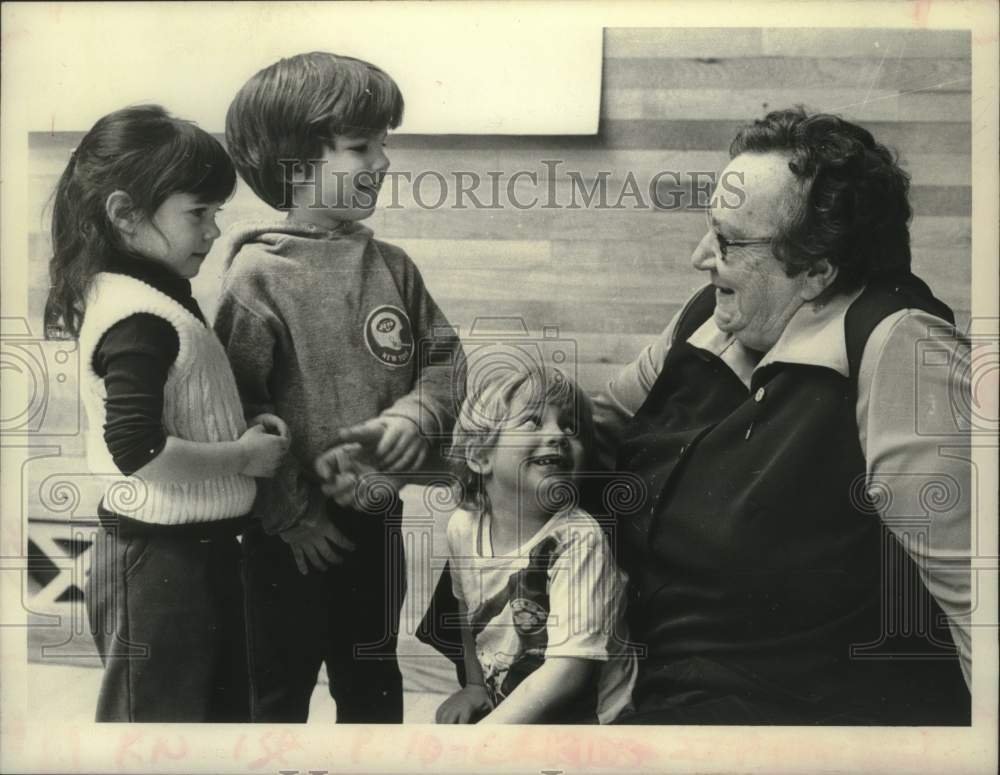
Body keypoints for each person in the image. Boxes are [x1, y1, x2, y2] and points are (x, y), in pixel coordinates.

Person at [596, 107, 972, 724]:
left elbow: (980, 605)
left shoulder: (902, 349)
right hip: (658, 706)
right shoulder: (713, 317)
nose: (699, 256)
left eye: (728, 241)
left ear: (818, 271)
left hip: (811, 732)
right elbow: (597, 426)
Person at [215, 52, 465, 723]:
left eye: (383, 144)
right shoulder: (256, 278)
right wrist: (292, 514)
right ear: (296, 163)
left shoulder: (394, 267)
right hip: (284, 536)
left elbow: (444, 360)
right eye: (361, 147)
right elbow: (239, 408)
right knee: (275, 694)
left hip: (376, 519)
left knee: (372, 686)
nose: (382, 162)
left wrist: (414, 415)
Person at [44, 105, 290, 722]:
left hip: (196, 551)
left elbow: (185, 407)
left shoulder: (154, 298)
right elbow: (141, 454)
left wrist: (239, 432)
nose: (212, 232)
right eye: (198, 214)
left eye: (215, 214)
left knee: (212, 719)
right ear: (126, 213)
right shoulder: (138, 318)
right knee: (154, 728)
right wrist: (245, 457)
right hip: (158, 562)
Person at [435, 367, 636, 724]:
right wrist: (475, 686)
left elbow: (567, 674)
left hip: (589, 726)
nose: (558, 435)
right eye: (532, 421)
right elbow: (466, 611)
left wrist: (485, 738)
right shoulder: (464, 527)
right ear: (480, 456)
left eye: (571, 427)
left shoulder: (578, 540)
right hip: (518, 709)